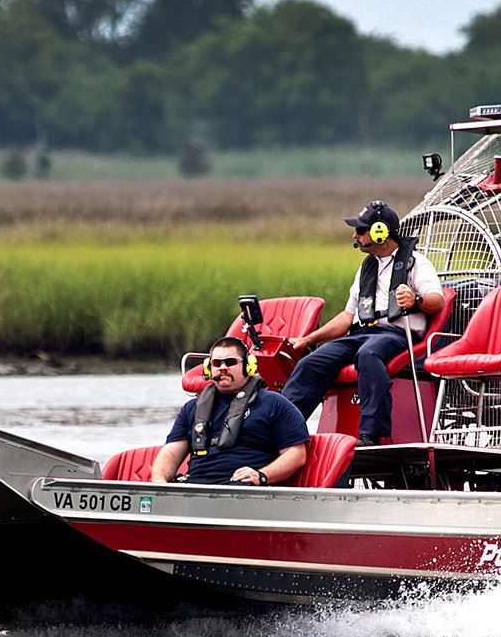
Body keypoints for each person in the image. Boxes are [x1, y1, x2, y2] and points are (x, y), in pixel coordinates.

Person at [282, 200, 445, 446]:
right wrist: (307, 340)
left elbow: (438, 301)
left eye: (360, 230)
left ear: (380, 232)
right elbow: (347, 317)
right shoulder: (366, 268)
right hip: (362, 333)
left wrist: (416, 299)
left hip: (397, 334)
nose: (355, 235)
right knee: (313, 362)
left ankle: (371, 433)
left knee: (368, 354)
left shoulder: (416, 263)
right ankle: (284, 431)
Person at [153, 337, 310, 485]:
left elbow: (296, 455)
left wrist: (261, 475)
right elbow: (170, 454)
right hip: (196, 487)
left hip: (244, 490)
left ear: (248, 366)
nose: (223, 368)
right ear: (209, 368)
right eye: (217, 363)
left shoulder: (275, 404)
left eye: (230, 362)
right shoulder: (191, 408)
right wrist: (160, 484)